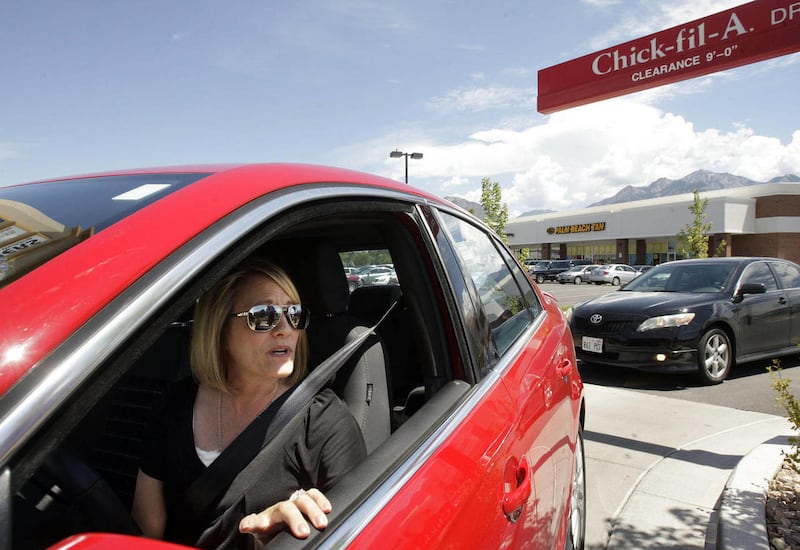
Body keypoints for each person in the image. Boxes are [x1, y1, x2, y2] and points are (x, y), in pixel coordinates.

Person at [132, 258, 367, 547]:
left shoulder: (324, 420)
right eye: (264, 315)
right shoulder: (175, 404)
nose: (285, 329)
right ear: (220, 331)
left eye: (294, 313)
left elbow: (358, 534)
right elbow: (148, 531)